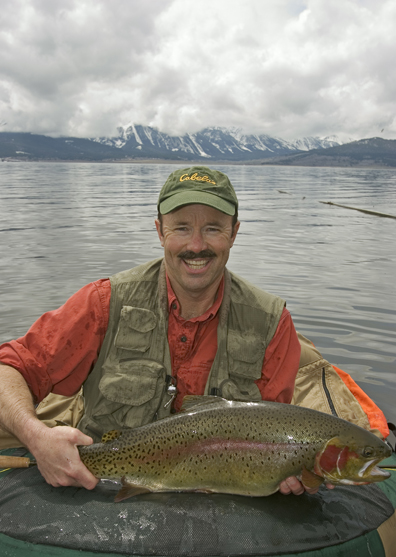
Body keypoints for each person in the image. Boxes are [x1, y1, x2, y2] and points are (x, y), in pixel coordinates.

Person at [0, 166, 385, 497]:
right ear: (160, 231)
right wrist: (37, 437)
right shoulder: (104, 302)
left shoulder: (272, 323)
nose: (196, 245)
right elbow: (9, 369)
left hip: (223, 500)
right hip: (105, 481)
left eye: (213, 228)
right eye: (182, 227)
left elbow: (276, 422)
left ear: (234, 233)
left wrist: (289, 479)